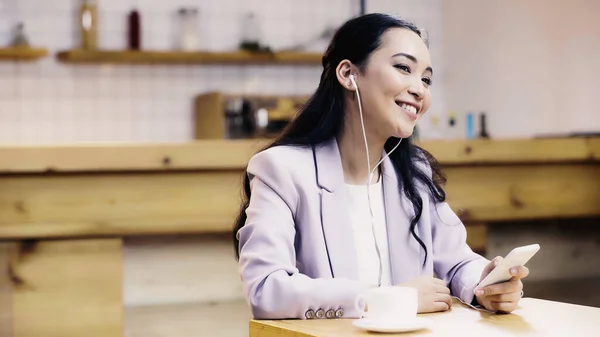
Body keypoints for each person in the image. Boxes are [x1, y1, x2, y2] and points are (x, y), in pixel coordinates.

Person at [232, 13, 529, 320]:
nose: (420, 90)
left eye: (426, 79)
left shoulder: (413, 174)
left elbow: (457, 262)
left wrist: (486, 285)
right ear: (348, 73)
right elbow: (265, 290)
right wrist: (387, 298)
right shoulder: (282, 170)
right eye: (403, 68)